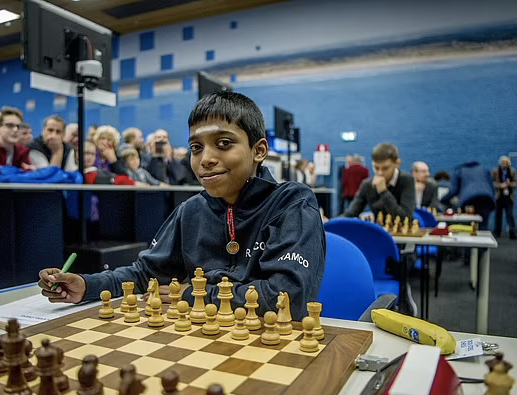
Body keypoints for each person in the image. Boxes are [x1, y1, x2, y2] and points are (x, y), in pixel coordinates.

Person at [38, 91, 325, 320]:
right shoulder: (190, 211)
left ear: (258, 150)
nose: (206, 159)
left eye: (224, 143)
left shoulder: (292, 203)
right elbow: (144, 274)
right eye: (196, 148)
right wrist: (88, 286)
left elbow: (290, 299)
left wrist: (192, 295)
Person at [341, 143, 415, 220]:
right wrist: (329, 222)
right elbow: (350, 214)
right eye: (376, 168)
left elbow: (406, 217)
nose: (380, 173)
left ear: (397, 164)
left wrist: (383, 192)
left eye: (385, 168)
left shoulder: (406, 180)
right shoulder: (367, 184)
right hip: (379, 230)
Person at [441, 161, 495, 231]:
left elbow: (453, 191)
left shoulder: (459, 171)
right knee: (483, 225)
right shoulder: (484, 169)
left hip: (469, 199)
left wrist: (443, 200)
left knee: (467, 224)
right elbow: (492, 187)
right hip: (487, 198)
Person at [491, 156, 517, 239]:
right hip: (499, 196)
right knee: (498, 215)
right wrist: (500, 185)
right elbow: (492, 183)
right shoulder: (495, 171)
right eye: (502, 163)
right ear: (500, 163)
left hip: (508, 197)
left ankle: (512, 232)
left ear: (508, 164)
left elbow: (515, 183)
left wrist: (509, 184)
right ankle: (497, 232)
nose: (504, 164)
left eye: (506, 163)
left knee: (510, 215)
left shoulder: (512, 171)